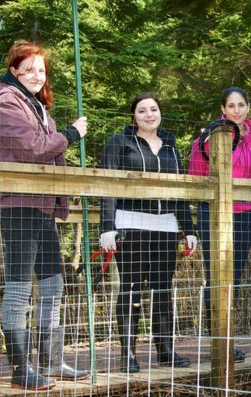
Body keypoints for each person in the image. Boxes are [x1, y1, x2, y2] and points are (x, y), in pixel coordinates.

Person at [0, 40, 91, 390]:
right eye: (28, 69)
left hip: (42, 204)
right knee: (18, 287)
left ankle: (51, 360)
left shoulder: (36, 105)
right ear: (14, 70)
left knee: (52, 283)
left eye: (40, 70)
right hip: (18, 204)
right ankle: (20, 370)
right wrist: (71, 134)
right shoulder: (6, 102)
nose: (35, 75)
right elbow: (33, 148)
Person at [98, 92, 195, 372]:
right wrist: (107, 227)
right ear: (134, 116)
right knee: (130, 289)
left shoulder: (171, 147)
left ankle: (165, 350)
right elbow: (108, 186)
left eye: (153, 109)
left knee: (163, 290)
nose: (149, 114)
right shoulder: (119, 142)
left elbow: (180, 191)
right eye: (142, 110)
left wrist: (188, 229)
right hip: (130, 225)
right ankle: (128, 354)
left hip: (165, 227)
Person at [188, 87, 251, 363]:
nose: (237, 111)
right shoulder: (209, 136)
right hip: (213, 214)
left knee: (237, 276)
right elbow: (195, 173)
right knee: (216, 275)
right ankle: (218, 340)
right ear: (223, 109)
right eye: (231, 106)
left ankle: (229, 337)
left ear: (248, 107)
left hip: (244, 213)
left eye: (241, 105)